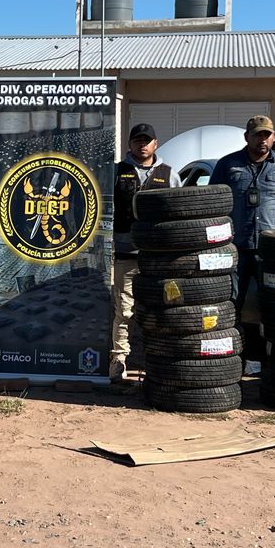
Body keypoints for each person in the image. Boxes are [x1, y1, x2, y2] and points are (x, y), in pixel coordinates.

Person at [212, 115, 275, 375]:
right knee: (231, 305)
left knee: (273, 306)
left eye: (267, 135)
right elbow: (215, 202)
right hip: (235, 249)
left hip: (272, 252)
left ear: (273, 137)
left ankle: (269, 361)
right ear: (247, 138)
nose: (262, 140)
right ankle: (231, 361)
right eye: (257, 135)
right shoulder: (228, 165)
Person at [110, 122, 174, 381]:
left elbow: (181, 214)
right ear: (129, 144)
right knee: (124, 311)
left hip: (159, 259)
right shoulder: (116, 172)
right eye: (137, 140)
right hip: (126, 254)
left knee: (157, 311)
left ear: (155, 144)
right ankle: (119, 360)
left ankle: (154, 361)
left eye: (147, 140)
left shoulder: (170, 174)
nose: (142, 144)